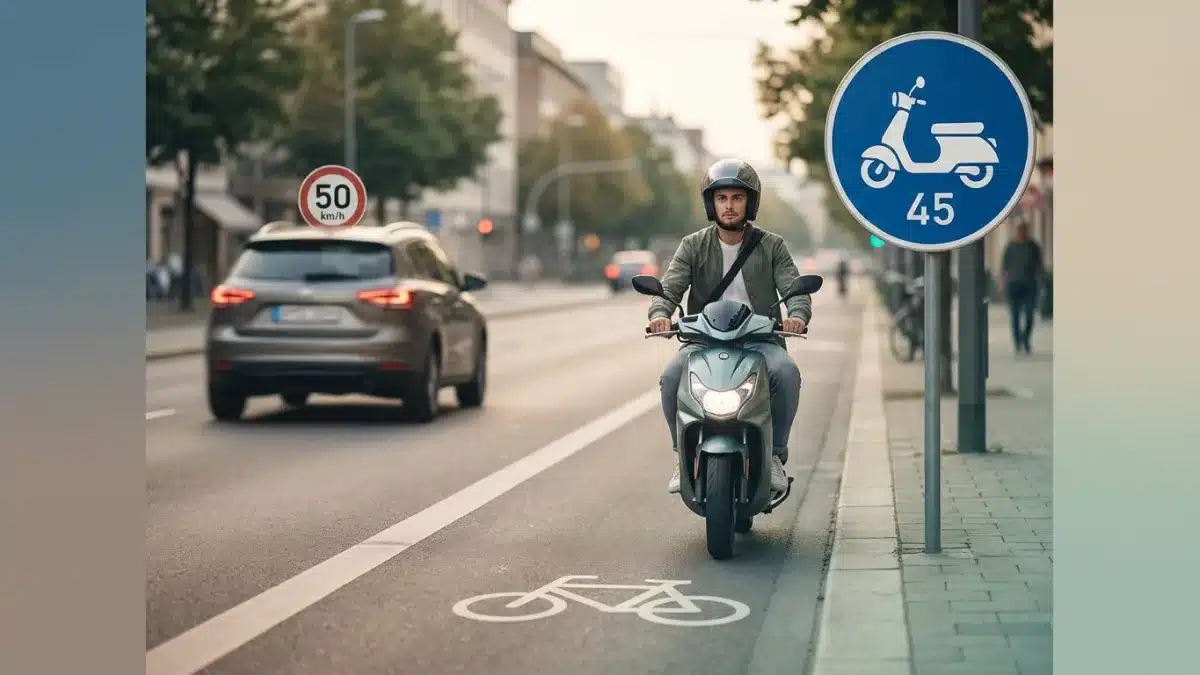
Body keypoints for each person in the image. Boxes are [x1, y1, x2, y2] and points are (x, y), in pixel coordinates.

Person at [647, 158, 811, 495]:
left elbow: (794, 289)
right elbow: (669, 288)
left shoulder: (772, 246)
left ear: (750, 202)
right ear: (711, 203)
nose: (730, 205)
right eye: (722, 198)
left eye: (737, 197)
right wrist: (659, 314)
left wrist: (797, 315)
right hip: (704, 341)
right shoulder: (692, 245)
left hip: (760, 340)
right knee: (671, 378)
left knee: (786, 373)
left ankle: (776, 454)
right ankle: (682, 456)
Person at [1000, 221, 1045, 354]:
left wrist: (1041, 282)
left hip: (1030, 285)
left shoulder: (1033, 246)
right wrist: (1002, 282)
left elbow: (1039, 265)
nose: (1022, 233)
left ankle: (1026, 340)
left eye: (1024, 230)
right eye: (1020, 230)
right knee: (1015, 316)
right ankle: (1017, 342)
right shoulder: (1010, 247)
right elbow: (1004, 266)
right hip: (1013, 285)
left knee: (1030, 315)